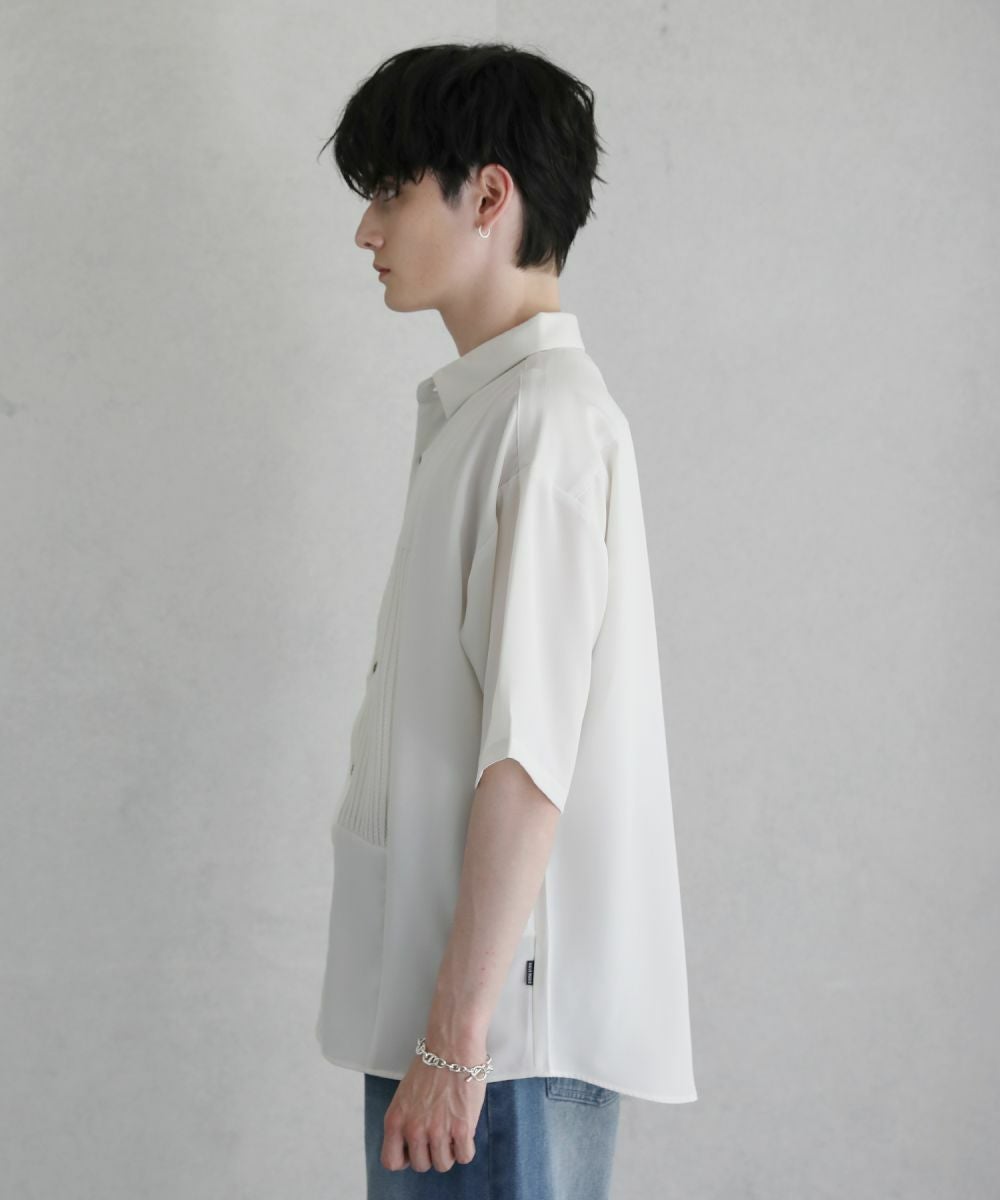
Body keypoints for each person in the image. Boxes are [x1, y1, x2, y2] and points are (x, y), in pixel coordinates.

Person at [314, 41, 697, 1199]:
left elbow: (529, 762)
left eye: (390, 191)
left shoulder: (544, 427)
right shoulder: (491, 416)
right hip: (463, 1027)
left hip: (494, 1046)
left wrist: (453, 1041)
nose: (366, 231)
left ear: (488, 196)